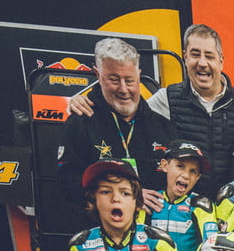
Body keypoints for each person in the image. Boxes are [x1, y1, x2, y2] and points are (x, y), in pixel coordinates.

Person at [69, 25, 234, 199]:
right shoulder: (165, 98)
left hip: (231, 206)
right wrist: (86, 100)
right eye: (195, 54)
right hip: (183, 209)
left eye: (209, 56)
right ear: (185, 57)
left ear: (221, 61)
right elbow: (124, 108)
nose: (202, 63)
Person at [58, 37, 176, 208]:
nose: (123, 89)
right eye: (114, 80)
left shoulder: (162, 126)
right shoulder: (79, 124)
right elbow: (68, 185)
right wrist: (127, 195)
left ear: (139, 75)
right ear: (98, 74)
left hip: (154, 223)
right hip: (100, 222)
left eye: (129, 80)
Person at [140, 140, 218, 251]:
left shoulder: (201, 205)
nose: (186, 175)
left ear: (198, 177)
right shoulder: (150, 200)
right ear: (164, 165)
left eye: (193, 171)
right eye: (180, 166)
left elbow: (211, 246)